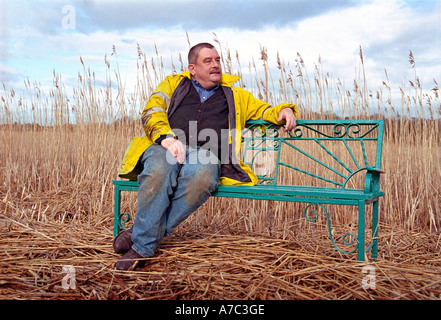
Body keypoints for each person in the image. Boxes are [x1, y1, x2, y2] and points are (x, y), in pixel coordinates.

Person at [114, 42, 298, 270]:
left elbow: (264, 110)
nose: (216, 65)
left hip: (206, 155)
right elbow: (152, 110)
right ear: (192, 68)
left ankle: (141, 241)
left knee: (203, 177)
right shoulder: (173, 84)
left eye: (218, 60)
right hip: (166, 145)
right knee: (159, 172)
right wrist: (166, 138)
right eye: (208, 61)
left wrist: (283, 110)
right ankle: (144, 241)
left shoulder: (235, 95)